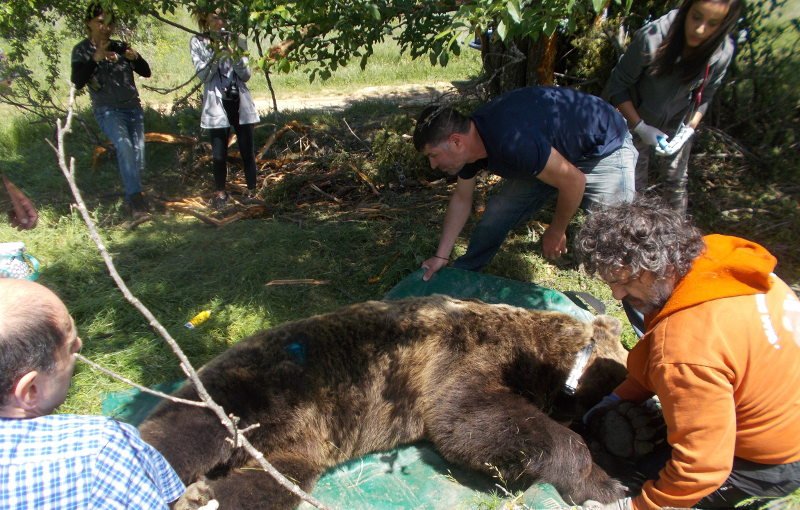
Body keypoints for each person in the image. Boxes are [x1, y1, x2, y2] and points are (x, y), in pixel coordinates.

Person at [575, 195, 800, 510]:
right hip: (781, 409)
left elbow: (703, 466)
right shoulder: (721, 261)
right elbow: (661, 350)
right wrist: (618, 398)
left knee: (632, 479)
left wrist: (635, 506)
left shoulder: (686, 347)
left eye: (622, 281)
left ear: (656, 267)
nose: (615, 294)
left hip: (768, 460)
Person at [413, 86, 636, 281]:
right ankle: (465, 274)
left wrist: (557, 230)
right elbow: (462, 199)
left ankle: (655, 317)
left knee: (620, 241)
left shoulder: (512, 140)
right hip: (550, 155)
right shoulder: (472, 146)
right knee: (498, 212)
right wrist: (441, 255)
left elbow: (573, 181)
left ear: (456, 142)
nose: (432, 165)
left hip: (602, 147)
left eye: (433, 155)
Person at [0, 279, 185, 508]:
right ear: (30, 390)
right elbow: (172, 499)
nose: (79, 343)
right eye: (69, 348)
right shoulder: (99, 451)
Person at [602, 0, 740, 216]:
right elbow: (617, 87)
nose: (700, 29)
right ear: (687, 9)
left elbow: (706, 96)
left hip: (679, 121)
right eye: (696, 16)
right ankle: (634, 238)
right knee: (633, 185)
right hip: (634, 118)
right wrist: (640, 127)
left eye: (713, 23)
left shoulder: (722, 51)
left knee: (676, 180)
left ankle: (678, 241)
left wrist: (689, 129)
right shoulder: (652, 38)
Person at [71, 3, 152, 219]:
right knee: (124, 147)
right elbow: (77, 81)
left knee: (137, 154)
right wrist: (95, 59)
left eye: (108, 23)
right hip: (107, 110)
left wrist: (135, 58)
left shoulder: (119, 46)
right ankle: (137, 203)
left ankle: (136, 194)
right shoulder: (81, 50)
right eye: (100, 22)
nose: (105, 28)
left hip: (132, 107)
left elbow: (146, 72)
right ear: (89, 23)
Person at [190, 8, 260, 210]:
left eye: (224, 17)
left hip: (239, 99)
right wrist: (215, 53)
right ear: (206, 19)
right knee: (219, 152)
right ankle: (220, 193)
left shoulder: (237, 39)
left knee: (247, 148)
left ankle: (252, 190)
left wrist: (232, 52)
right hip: (215, 101)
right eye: (215, 17)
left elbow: (245, 74)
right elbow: (204, 76)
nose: (221, 22)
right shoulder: (198, 42)